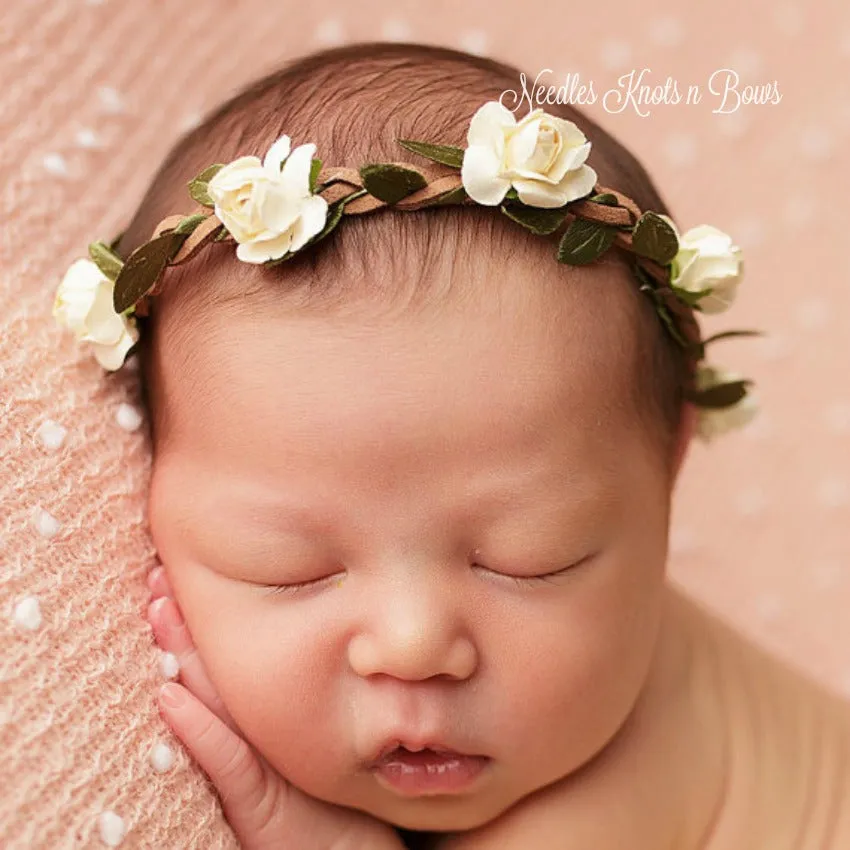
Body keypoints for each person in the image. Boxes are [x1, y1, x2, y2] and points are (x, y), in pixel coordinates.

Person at [53, 42, 850, 850]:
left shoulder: (602, 807)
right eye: (288, 566)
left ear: (669, 471)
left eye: (531, 559)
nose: (414, 645)